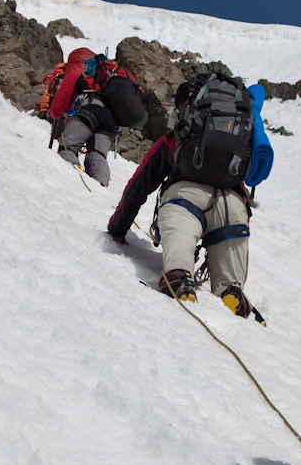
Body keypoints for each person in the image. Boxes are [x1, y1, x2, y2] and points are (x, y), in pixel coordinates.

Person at [106, 74, 257, 318]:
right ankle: (231, 291)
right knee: (229, 277)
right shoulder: (238, 143)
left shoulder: (176, 141)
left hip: (185, 200)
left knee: (180, 242)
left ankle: (179, 276)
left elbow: (139, 186)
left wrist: (117, 228)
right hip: (233, 209)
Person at [45, 46, 117, 187]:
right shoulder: (102, 73)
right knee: (97, 154)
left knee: (67, 148)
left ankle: (75, 184)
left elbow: (56, 110)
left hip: (89, 111)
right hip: (110, 119)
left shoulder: (76, 71)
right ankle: (100, 188)